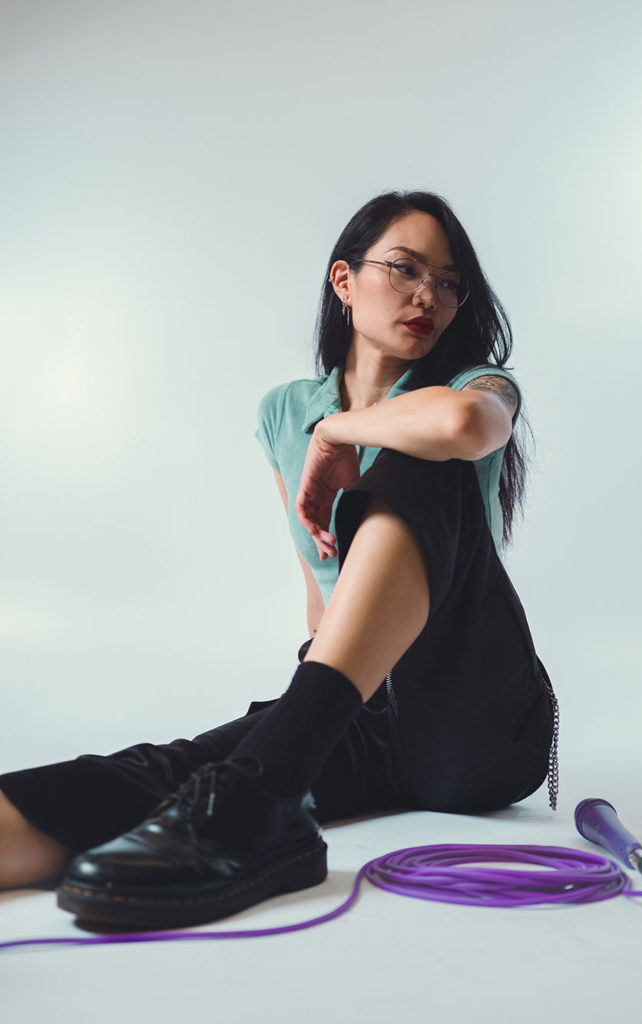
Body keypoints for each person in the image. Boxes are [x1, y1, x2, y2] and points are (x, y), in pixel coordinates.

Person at [0, 190, 558, 930]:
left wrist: (338, 433)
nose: (429, 294)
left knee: (416, 456)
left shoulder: (472, 386)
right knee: (189, 775)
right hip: (356, 709)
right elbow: (323, 592)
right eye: (405, 268)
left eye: (449, 282)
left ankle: (268, 791)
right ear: (344, 281)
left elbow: (461, 427)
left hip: (477, 714)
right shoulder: (282, 411)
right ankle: (256, 793)